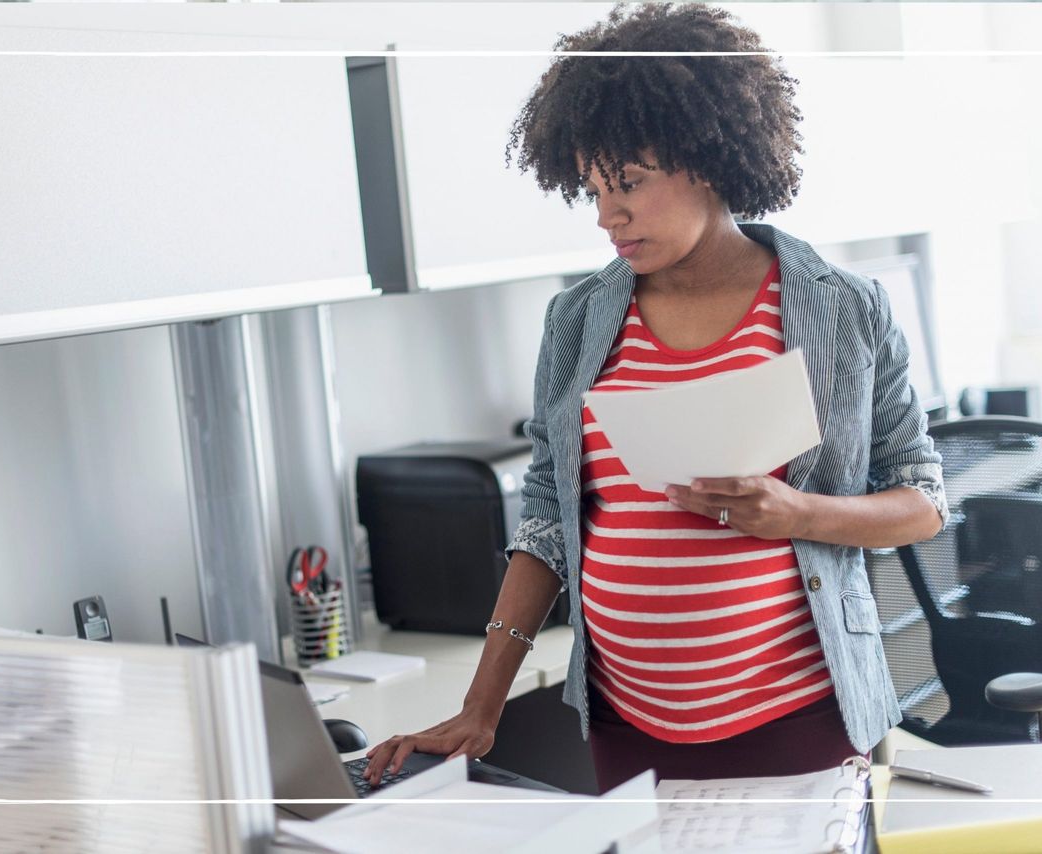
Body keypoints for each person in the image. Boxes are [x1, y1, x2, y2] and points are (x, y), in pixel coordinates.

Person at [363, 3, 948, 793]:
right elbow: (546, 519)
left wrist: (796, 513)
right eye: (592, 191)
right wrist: (482, 702)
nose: (608, 215)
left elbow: (924, 502)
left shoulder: (842, 308)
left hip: (797, 714)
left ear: (703, 158)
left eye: (629, 184)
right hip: (625, 720)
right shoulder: (576, 321)